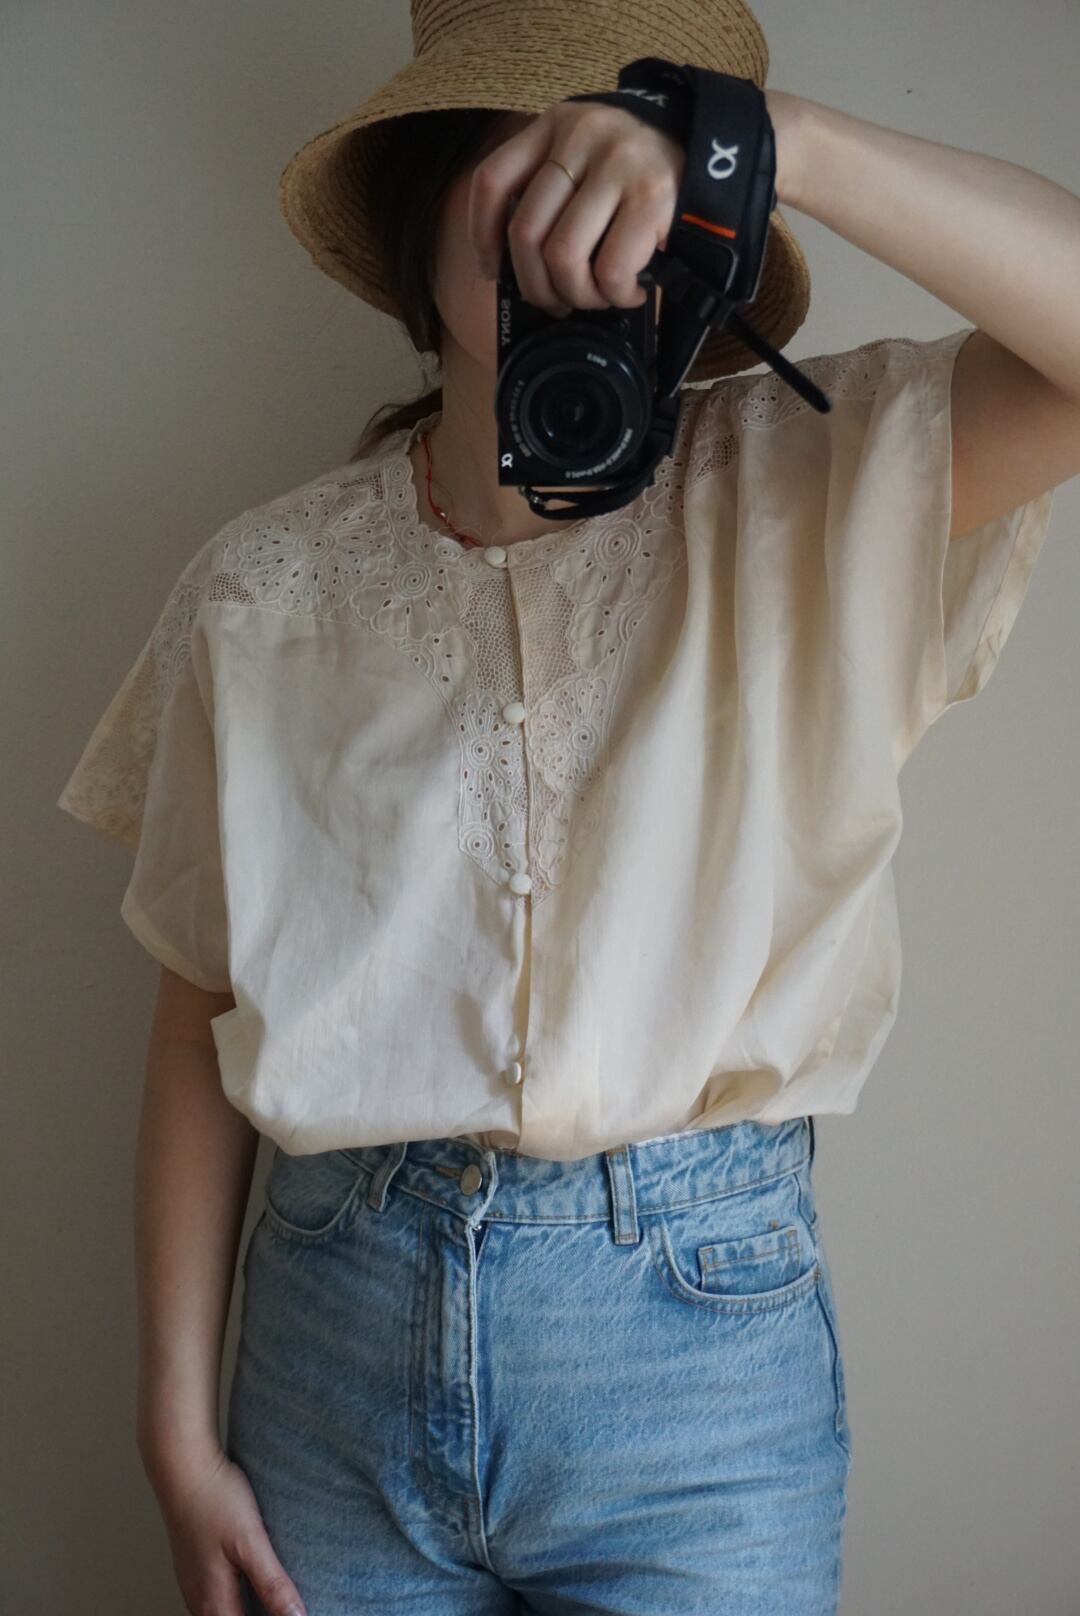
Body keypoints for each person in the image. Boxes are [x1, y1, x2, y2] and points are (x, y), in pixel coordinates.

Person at [56, 1, 1072, 1612]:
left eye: (637, 190)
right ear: (426, 204)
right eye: (529, 167)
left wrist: (769, 142)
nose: (583, 235)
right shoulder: (263, 589)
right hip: (327, 1350)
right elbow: (198, 1016)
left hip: (696, 1368)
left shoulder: (820, 492)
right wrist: (172, 1433)